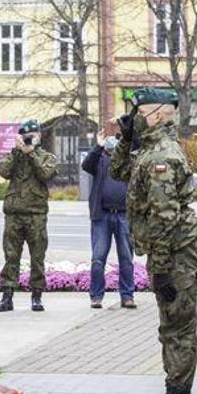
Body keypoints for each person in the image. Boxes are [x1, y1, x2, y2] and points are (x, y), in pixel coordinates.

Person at [109, 88, 197, 394]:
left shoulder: (162, 156)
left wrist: (163, 267)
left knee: (177, 329)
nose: (133, 116)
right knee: (172, 327)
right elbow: (117, 172)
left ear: (153, 115)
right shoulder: (148, 150)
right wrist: (125, 138)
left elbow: (165, 215)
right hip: (172, 250)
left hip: (177, 252)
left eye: (136, 112)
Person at [0, 119, 57, 312]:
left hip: (36, 214)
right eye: (26, 136)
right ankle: (7, 296)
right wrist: (17, 151)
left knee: (37, 257)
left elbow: (47, 174)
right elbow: (3, 171)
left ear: (39, 136)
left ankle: (36, 296)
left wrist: (32, 155)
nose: (30, 139)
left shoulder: (46, 157)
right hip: (14, 214)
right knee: (11, 256)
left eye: (33, 135)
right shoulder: (15, 156)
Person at [82, 132, 135, 309]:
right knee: (98, 259)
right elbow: (86, 164)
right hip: (101, 216)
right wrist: (98, 146)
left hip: (124, 215)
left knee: (126, 258)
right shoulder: (100, 160)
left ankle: (127, 296)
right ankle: (96, 296)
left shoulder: (128, 161)